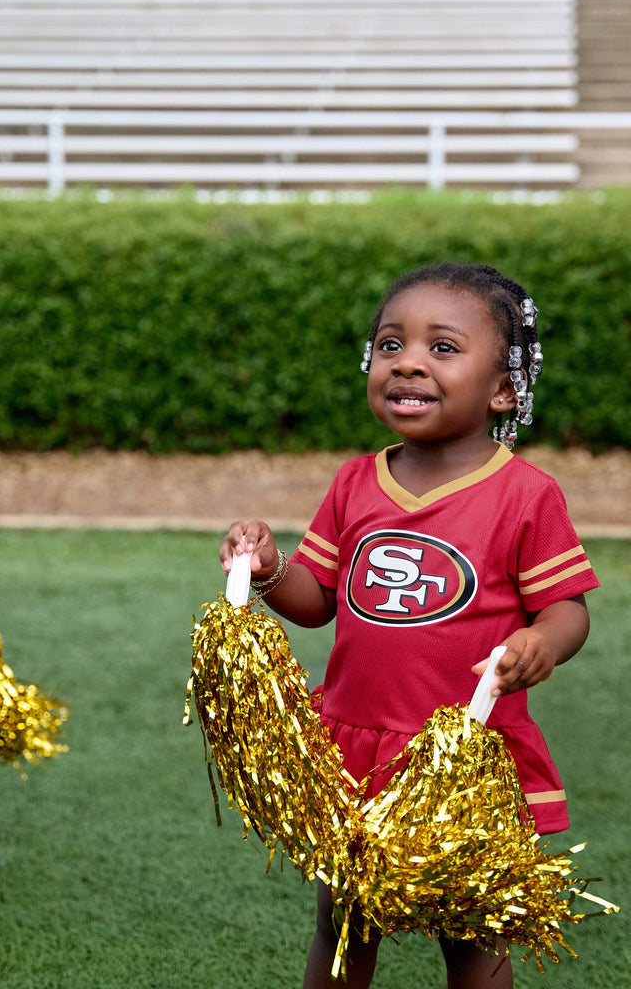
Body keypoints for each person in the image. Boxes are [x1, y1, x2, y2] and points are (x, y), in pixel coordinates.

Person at [220, 263, 599, 989]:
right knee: (344, 920)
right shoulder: (356, 481)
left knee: (472, 933)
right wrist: (268, 568)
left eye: (443, 348)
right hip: (354, 749)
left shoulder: (524, 494)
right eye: (390, 345)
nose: (408, 362)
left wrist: (541, 644)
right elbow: (318, 598)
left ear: (504, 388)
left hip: (460, 758)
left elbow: (567, 609)